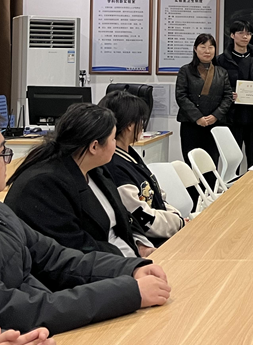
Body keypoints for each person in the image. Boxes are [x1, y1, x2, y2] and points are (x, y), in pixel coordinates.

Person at [0, 131, 171, 335]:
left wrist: (129, 269)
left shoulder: (3, 214)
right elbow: (23, 309)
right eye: (2, 152)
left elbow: (56, 258)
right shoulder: (44, 183)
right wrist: (129, 292)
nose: (6, 162)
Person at [6, 104, 155, 258]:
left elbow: (123, 216)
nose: (115, 144)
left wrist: (140, 244)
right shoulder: (44, 185)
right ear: (94, 146)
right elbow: (75, 247)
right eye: (113, 139)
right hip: (98, 266)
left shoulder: (94, 169)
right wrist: (131, 262)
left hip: (122, 258)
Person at [99, 90, 185, 245]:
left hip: (168, 227)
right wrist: (179, 222)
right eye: (141, 120)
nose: (143, 125)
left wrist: (176, 217)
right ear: (129, 125)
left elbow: (156, 195)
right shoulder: (115, 167)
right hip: (152, 242)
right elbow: (143, 219)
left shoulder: (130, 154)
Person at [216, 19, 253, 167]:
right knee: (232, 161)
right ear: (232, 35)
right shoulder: (221, 60)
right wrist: (229, 94)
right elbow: (217, 86)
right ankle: (233, 182)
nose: (245, 37)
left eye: (248, 33)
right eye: (241, 33)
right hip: (232, 116)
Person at [175, 33, 233, 170]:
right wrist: (198, 117)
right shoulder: (185, 70)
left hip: (214, 124)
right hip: (191, 124)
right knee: (192, 165)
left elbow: (228, 96)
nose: (207, 51)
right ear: (195, 49)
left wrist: (215, 116)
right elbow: (181, 96)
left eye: (211, 47)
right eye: (203, 47)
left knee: (211, 165)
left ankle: (210, 186)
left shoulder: (221, 72)